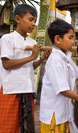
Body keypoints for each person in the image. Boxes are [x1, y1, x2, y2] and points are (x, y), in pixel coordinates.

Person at [0, 4, 50, 133]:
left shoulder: (32, 42)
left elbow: (31, 66)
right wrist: (32, 56)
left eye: (35, 20)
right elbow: (7, 64)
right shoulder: (7, 39)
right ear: (18, 19)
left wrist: (41, 59)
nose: (33, 23)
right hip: (11, 89)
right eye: (30, 19)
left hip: (27, 90)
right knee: (8, 128)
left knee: (25, 127)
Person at [39, 19, 78, 133]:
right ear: (58, 39)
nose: (73, 42)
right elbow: (62, 90)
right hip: (54, 115)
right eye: (70, 38)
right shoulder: (55, 60)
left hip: (64, 110)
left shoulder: (66, 58)